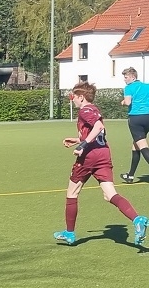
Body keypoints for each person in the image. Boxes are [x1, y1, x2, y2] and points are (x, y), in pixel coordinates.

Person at [55, 81, 148, 246]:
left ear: (81, 97)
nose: (72, 99)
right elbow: (98, 133)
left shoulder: (84, 111)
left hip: (89, 156)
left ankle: (69, 233)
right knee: (110, 194)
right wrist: (77, 140)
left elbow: (98, 127)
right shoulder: (95, 109)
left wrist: (83, 145)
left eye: (73, 96)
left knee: (72, 192)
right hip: (103, 154)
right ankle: (137, 219)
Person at [119, 67, 149, 183]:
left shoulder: (129, 88)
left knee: (142, 145)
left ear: (133, 77)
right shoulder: (147, 86)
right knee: (136, 145)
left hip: (136, 118)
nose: (124, 80)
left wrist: (123, 102)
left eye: (126, 77)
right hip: (148, 117)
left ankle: (130, 176)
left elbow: (128, 102)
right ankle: (130, 175)